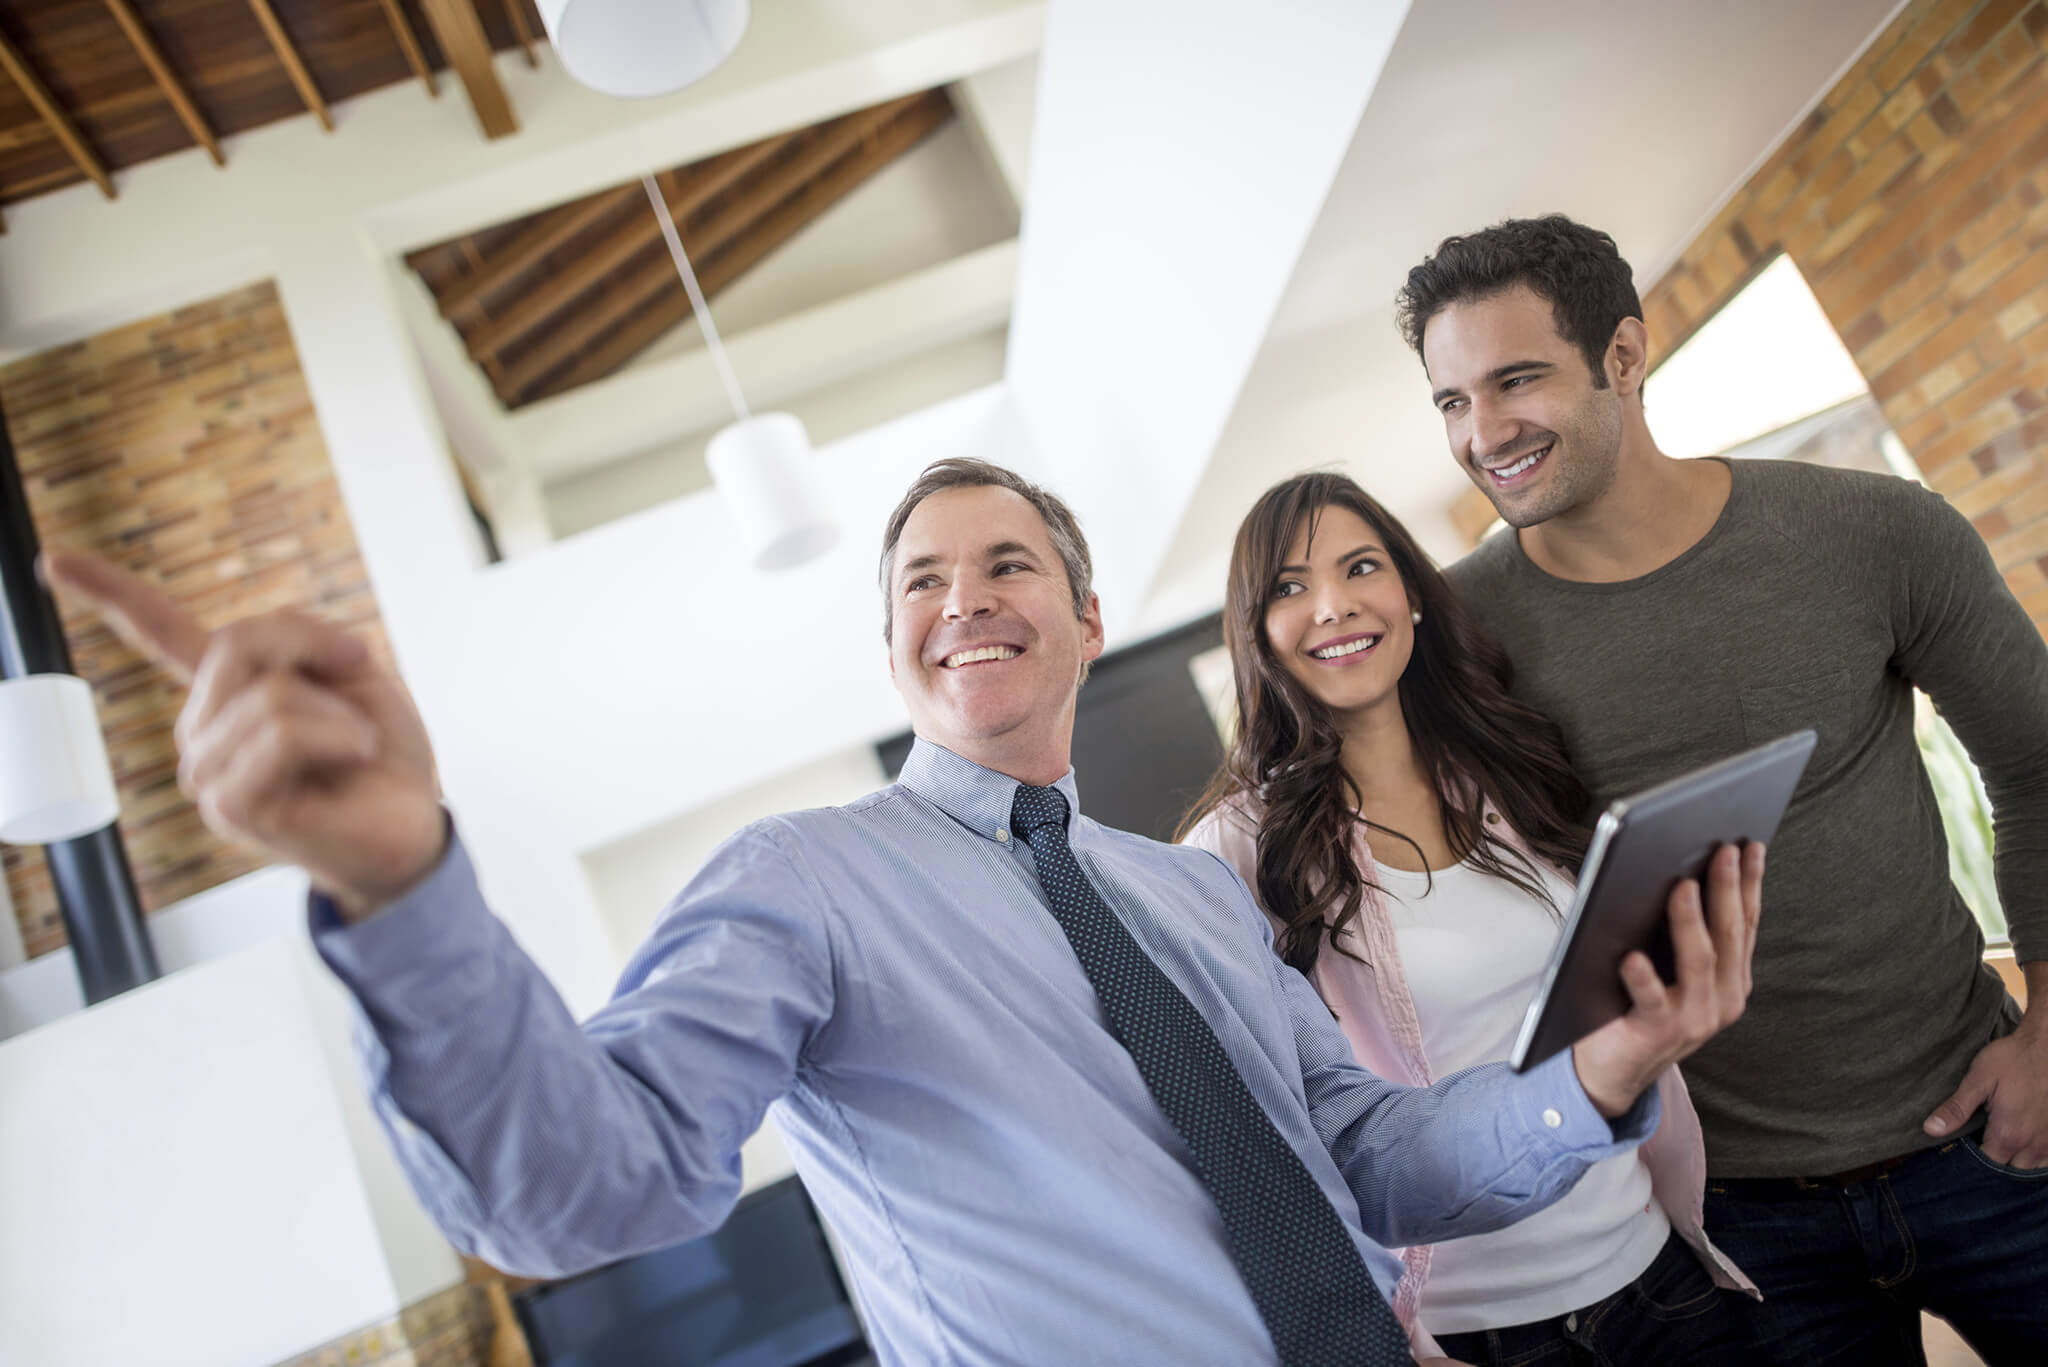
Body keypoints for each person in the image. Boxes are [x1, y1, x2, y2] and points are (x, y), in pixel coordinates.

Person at [48, 459, 1756, 1367]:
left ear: (1085, 618)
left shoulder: (1189, 890)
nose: (962, 598)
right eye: (921, 581)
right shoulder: (800, 882)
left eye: (1005, 563)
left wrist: (1600, 1070)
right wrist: (399, 886)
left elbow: (1366, 1156)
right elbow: (585, 1188)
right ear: (894, 653)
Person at [1395, 214, 2048, 1366]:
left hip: (1985, 1130)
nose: (1480, 433)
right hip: (1732, 1220)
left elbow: (2035, 765)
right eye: (1450, 400)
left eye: (1514, 380)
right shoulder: (1450, 641)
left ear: (1622, 354)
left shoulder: (1870, 531)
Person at [1181, 470, 1760, 1366]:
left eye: (1360, 566)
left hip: (1657, 1272)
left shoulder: (1507, 761)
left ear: (1410, 591)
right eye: (1289, 587)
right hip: (1478, 1329)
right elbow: (1264, 1137)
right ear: (1256, 632)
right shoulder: (1232, 850)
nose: (1333, 605)